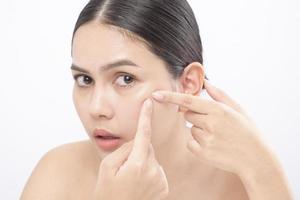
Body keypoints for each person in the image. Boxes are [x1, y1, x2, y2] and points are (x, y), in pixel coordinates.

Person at [20, 0, 293, 199]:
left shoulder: (242, 182)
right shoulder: (56, 174)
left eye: (125, 78)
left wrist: (264, 168)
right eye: (85, 80)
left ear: (188, 83)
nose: (96, 108)